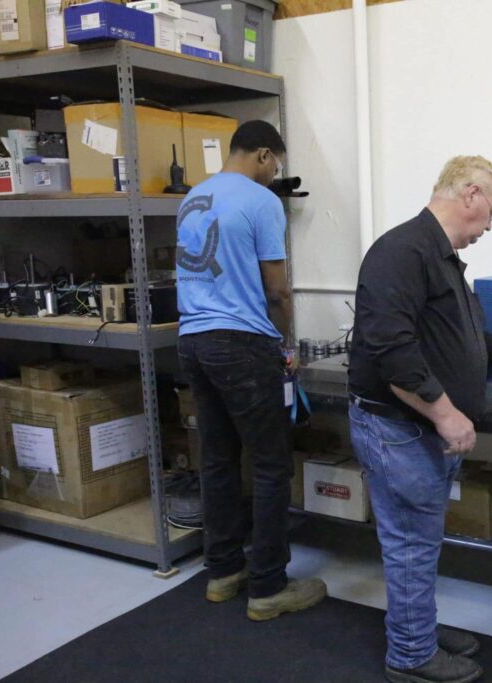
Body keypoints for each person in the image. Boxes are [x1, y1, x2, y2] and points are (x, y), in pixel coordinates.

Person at [348, 155, 492, 683]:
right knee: (410, 541)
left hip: (419, 430)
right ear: (471, 194)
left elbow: (448, 329)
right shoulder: (401, 252)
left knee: (420, 539)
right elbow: (392, 352)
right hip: (400, 429)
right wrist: (448, 414)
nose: (491, 225)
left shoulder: (441, 255)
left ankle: (417, 627)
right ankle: (409, 655)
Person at [176, 120, 326, 621]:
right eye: (276, 165)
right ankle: (267, 587)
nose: (274, 174)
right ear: (264, 154)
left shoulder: (193, 197)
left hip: (193, 341)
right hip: (241, 343)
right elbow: (277, 289)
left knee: (218, 460)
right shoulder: (262, 202)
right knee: (269, 463)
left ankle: (222, 573)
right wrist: (286, 341)